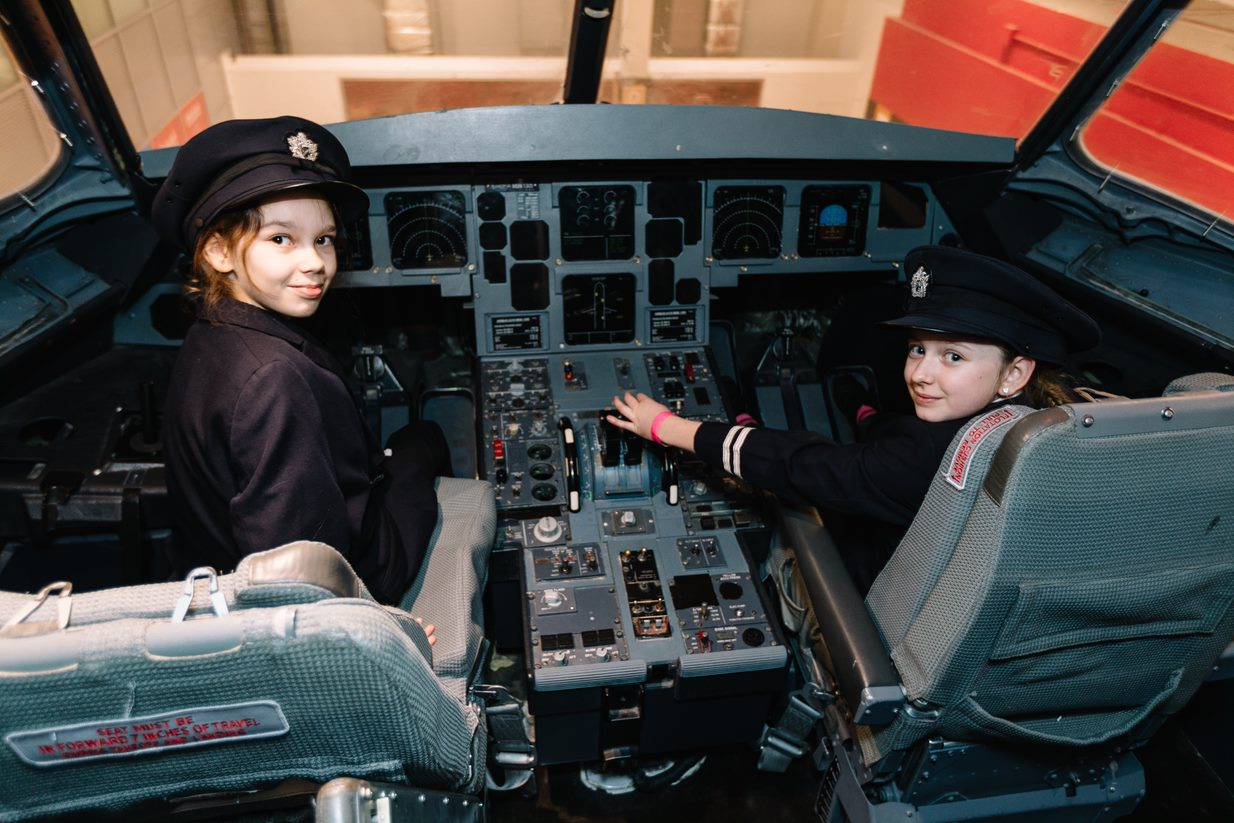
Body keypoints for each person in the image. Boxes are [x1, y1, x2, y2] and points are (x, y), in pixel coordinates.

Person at [608, 245, 1101, 592]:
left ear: (1014, 373)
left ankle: (772, 415)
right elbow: (903, 450)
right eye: (916, 349)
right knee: (888, 430)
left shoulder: (923, 458)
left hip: (879, 603)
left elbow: (805, 465)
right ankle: (862, 412)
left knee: (786, 507)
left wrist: (669, 428)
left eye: (953, 357)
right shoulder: (1057, 423)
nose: (921, 374)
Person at [152, 116, 448, 620]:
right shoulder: (275, 381)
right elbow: (299, 571)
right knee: (429, 438)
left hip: (218, 562)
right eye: (282, 239)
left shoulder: (212, 332)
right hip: (361, 569)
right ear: (219, 251)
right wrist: (374, 626)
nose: (314, 262)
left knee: (412, 444)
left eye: (325, 239)